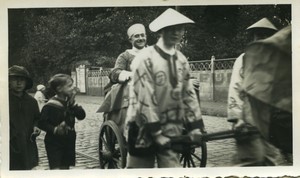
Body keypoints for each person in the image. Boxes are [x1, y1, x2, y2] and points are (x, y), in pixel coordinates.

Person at [124, 8, 205, 168]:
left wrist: (194, 126)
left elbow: (188, 94)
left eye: (180, 28)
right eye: (171, 29)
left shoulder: (181, 60)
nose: (176, 32)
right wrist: (156, 133)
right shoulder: (145, 58)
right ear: (161, 31)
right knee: (139, 171)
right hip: (144, 128)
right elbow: (144, 96)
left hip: (172, 127)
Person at [228, 18, 291, 166]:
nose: (262, 38)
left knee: (271, 159)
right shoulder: (244, 59)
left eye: (266, 35)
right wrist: (238, 118)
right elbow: (235, 88)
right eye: (258, 35)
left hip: (269, 121)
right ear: (253, 38)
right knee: (250, 158)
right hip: (248, 117)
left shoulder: (275, 63)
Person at [97, 23, 147, 134]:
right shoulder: (125, 56)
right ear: (130, 39)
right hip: (130, 91)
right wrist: (127, 75)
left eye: (143, 35)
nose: (141, 38)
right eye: (137, 36)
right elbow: (114, 72)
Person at [38, 74, 86, 169]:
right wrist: (55, 129)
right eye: (69, 86)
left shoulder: (70, 103)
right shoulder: (50, 105)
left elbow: (81, 116)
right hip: (54, 142)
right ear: (59, 89)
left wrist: (73, 105)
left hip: (69, 140)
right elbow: (41, 123)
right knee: (56, 168)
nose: (73, 88)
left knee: (65, 167)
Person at [9, 65, 41, 170]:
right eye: (15, 80)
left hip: (27, 143)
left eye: (22, 80)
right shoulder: (4, 99)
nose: (19, 83)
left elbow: (37, 118)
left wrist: (36, 127)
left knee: (26, 168)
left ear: (26, 82)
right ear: (9, 81)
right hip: (9, 144)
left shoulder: (31, 102)